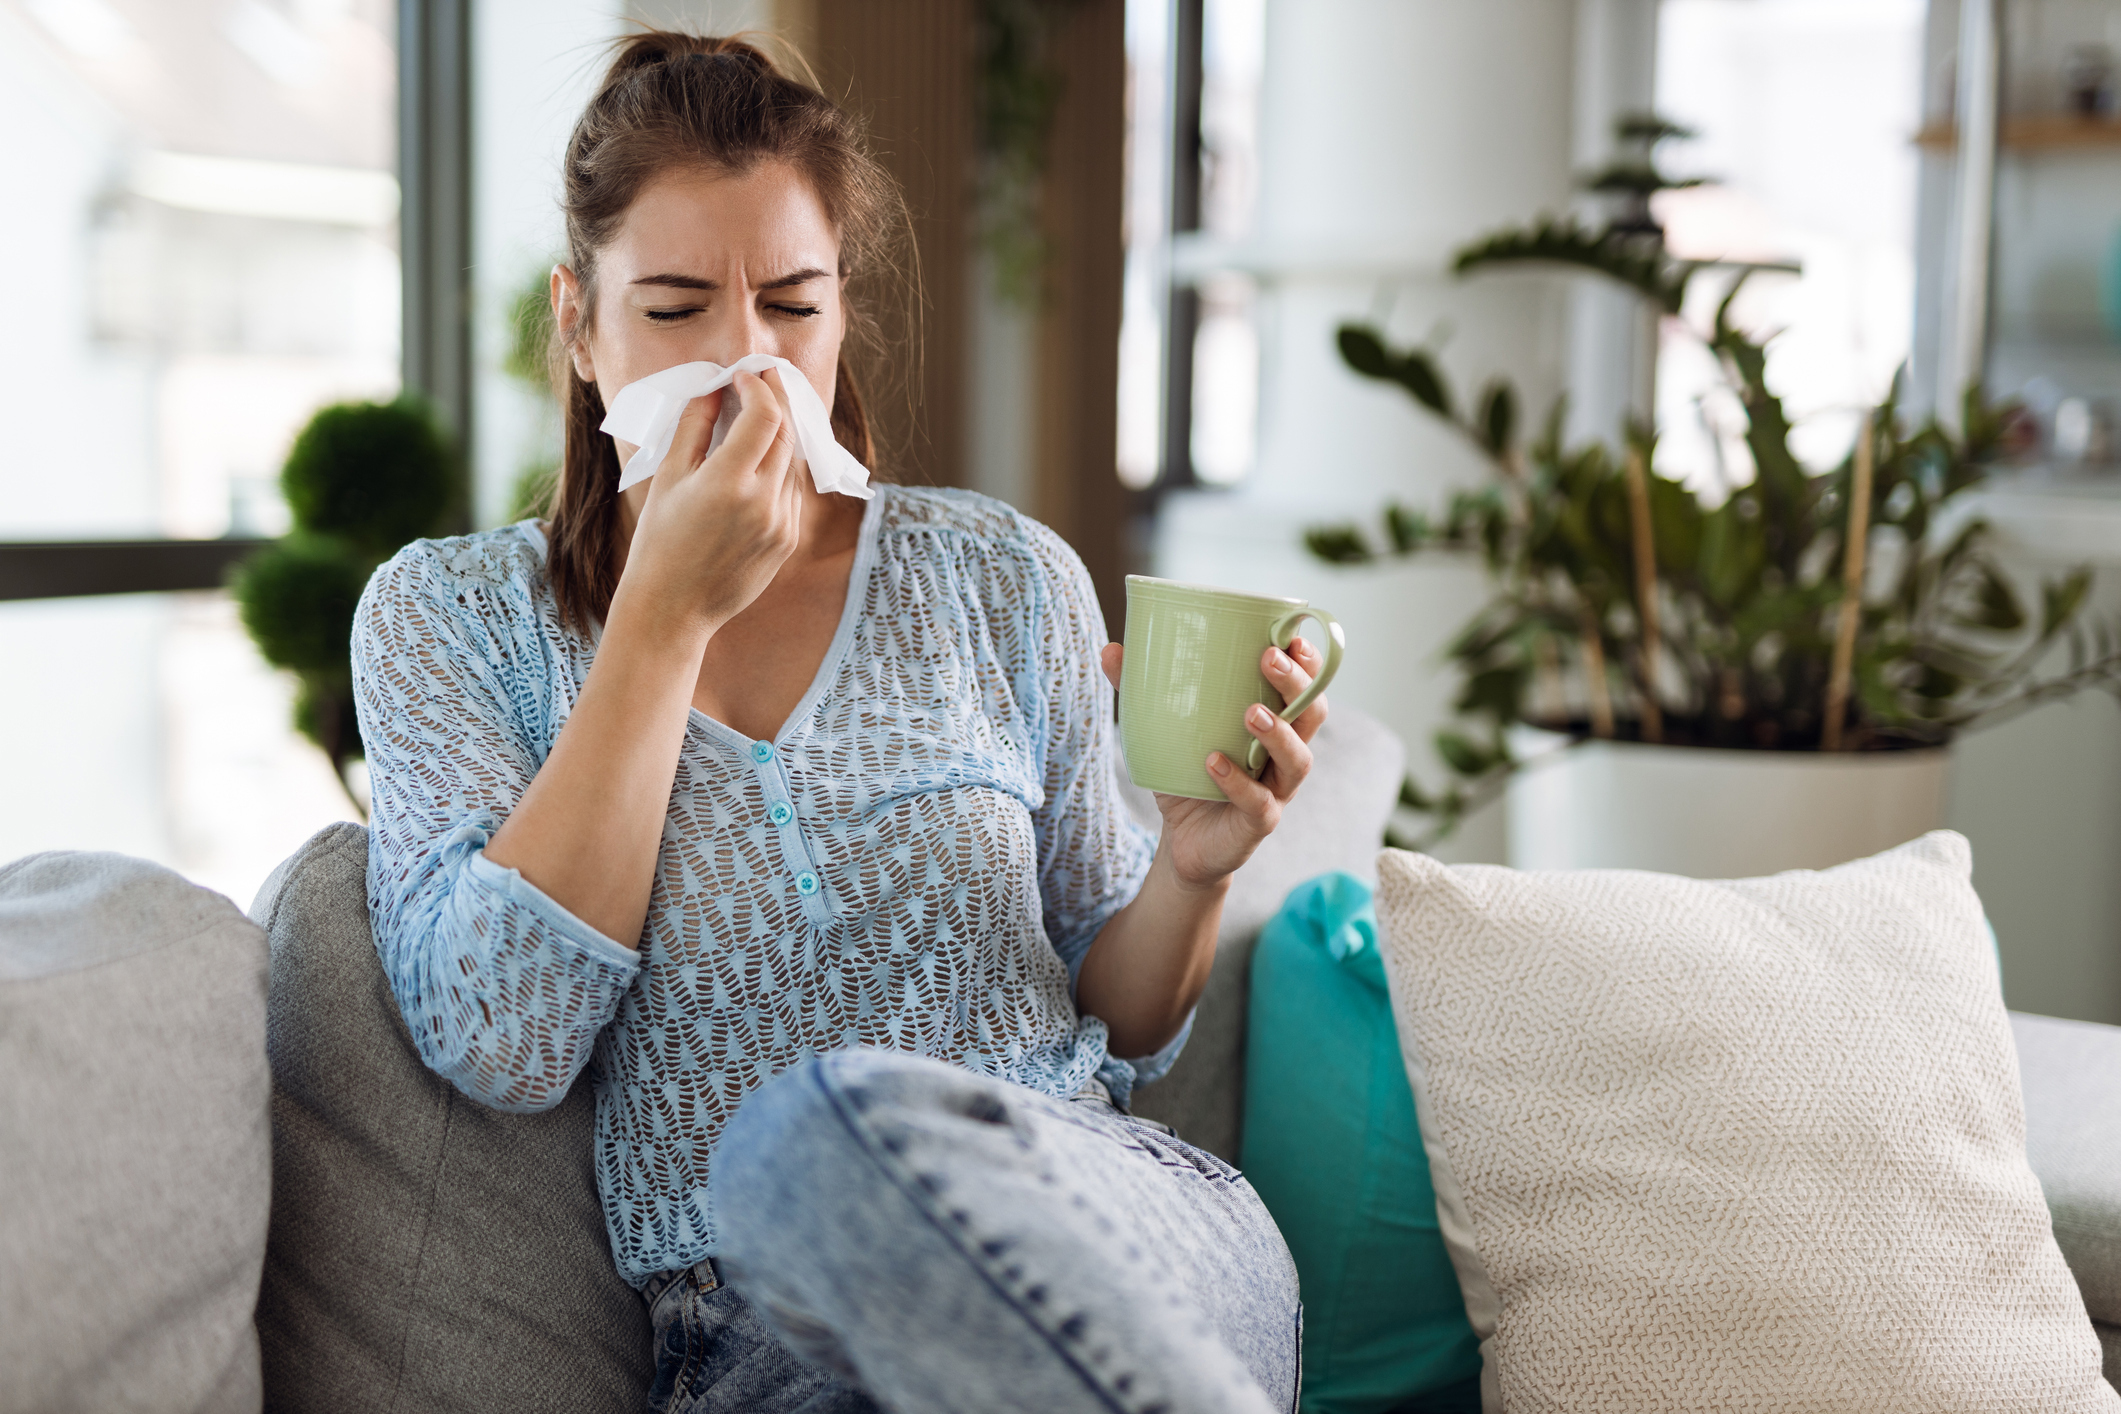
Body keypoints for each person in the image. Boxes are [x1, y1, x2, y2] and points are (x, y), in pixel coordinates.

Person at [353, 30, 1328, 1414]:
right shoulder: (449, 618)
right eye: (677, 307)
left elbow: (1119, 1016)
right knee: (811, 1141)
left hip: (1123, 1219)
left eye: (792, 307)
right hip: (770, 1320)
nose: (744, 362)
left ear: (842, 311)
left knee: (862, 1131)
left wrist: (1189, 865)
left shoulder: (1000, 575)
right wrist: (659, 623)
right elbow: (503, 1037)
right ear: (579, 325)